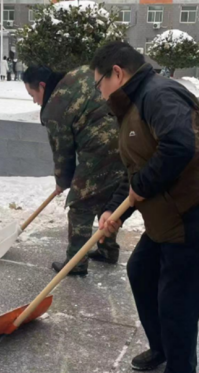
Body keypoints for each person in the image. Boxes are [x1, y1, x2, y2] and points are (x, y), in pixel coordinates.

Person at [91, 42, 199, 373]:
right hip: (170, 217)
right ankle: (162, 348)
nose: (100, 94)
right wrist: (116, 209)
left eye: (99, 84)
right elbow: (136, 171)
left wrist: (139, 188)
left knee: (177, 297)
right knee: (141, 271)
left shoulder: (158, 95)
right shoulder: (133, 104)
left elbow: (178, 145)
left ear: (117, 72)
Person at [22, 65, 126, 275]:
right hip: (127, 137)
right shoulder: (80, 73)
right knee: (107, 197)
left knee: (81, 204)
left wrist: (63, 181)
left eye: (33, 94)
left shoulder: (54, 108)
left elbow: (63, 152)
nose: (34, 100)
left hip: (100, 147)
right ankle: (108, 250)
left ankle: (76, 263)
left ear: (42, 86)